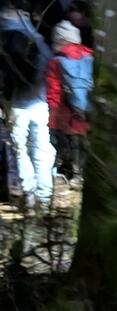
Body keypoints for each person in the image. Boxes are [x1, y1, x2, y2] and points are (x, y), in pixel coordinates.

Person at [0, 0, 55, 208]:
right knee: (42, 146)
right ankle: (44, 196)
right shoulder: (33, 35)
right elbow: (50, 61)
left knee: (19, 148)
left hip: (15, 103)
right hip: (39, 100)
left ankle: (29, 194)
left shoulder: (4, 37)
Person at [45, 19, 93, 180]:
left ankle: (74, 175)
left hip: (67, 114)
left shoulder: (56, 61)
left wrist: (52, 120)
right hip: (89, 111)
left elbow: (53, 93)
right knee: (86, 145)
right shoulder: (91, 55)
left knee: (71, 146)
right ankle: (85, 175)